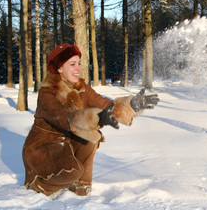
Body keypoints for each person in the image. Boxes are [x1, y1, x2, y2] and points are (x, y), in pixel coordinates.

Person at [22, 43, 159, 196]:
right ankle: (40, 185)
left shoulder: (82, 88)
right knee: (73, 171)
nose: (78, 68)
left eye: (79, 63)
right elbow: (65, 119)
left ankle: (81, 188)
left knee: (91, 138)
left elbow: (104, 103)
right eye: (72, 64)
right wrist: (99, 118)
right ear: (59, 68)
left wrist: (131, 105)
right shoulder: (47, 93)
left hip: (66, 144)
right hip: (43, 147)